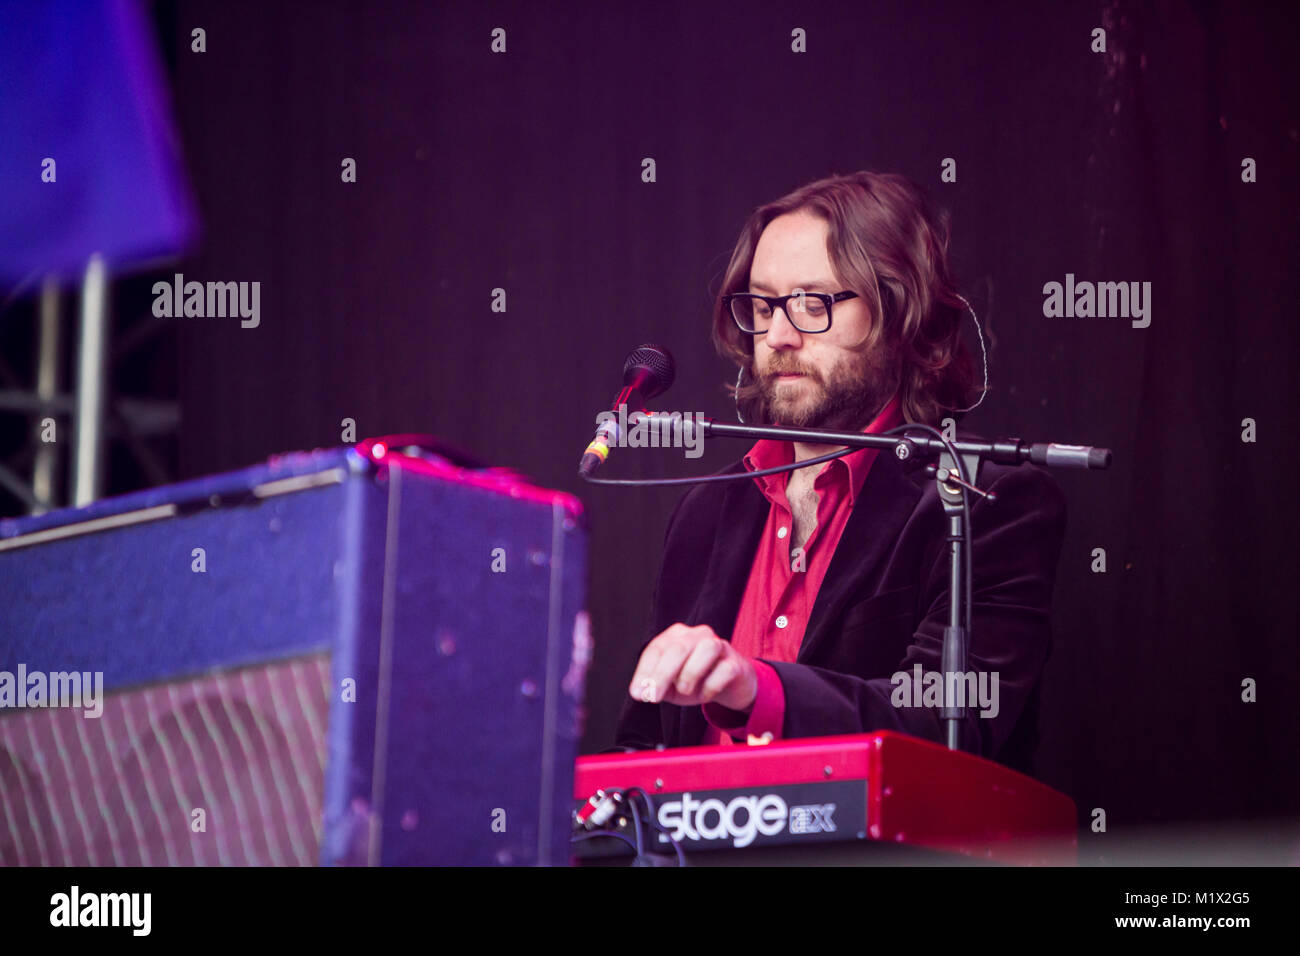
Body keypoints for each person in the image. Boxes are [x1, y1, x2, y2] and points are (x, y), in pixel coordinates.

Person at [613, 170, 1067, 774]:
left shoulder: (988, 499)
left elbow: (944, 726)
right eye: (763, 304)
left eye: (813, 302)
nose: (777, 335)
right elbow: (644, 742)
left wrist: (759, 690)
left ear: (900, 310)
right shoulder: (704, 510)